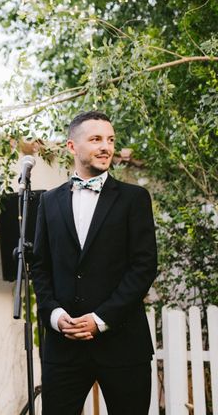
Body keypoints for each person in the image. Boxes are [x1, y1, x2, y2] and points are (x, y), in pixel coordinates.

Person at [31, 111, 158, 414]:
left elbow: (144, 266)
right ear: (72, 147)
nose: (106, 147)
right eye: (96, 139)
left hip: (123, 344)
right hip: (64, 347)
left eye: (110, 140)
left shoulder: (134, 198)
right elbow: (39, 266)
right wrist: (55, 315)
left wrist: (100, 319)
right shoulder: (49, 202)